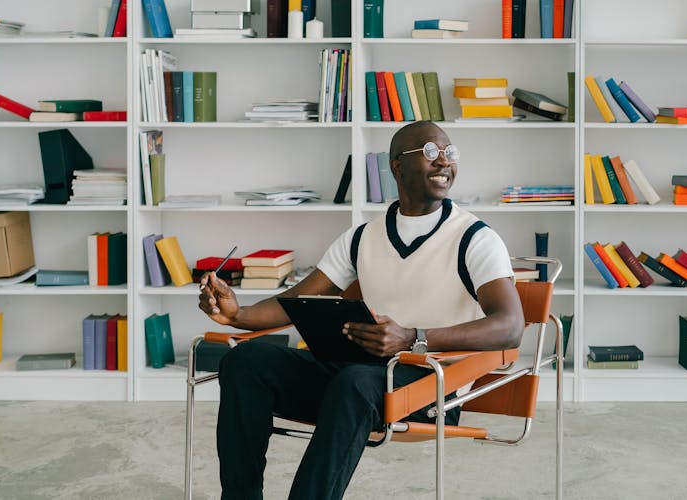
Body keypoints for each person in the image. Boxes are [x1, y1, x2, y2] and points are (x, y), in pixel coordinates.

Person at [198, 120, 525, 500]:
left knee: (355, 381)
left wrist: (414, 338)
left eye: (450, 154)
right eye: (432, 154)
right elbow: (298, 300)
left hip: (431, 389)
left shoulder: (476, 239)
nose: (444, 164)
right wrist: (237, 314)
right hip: (354, 379)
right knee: (245, 359)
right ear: (397, 167)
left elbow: (510, 325)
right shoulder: (362, 237)